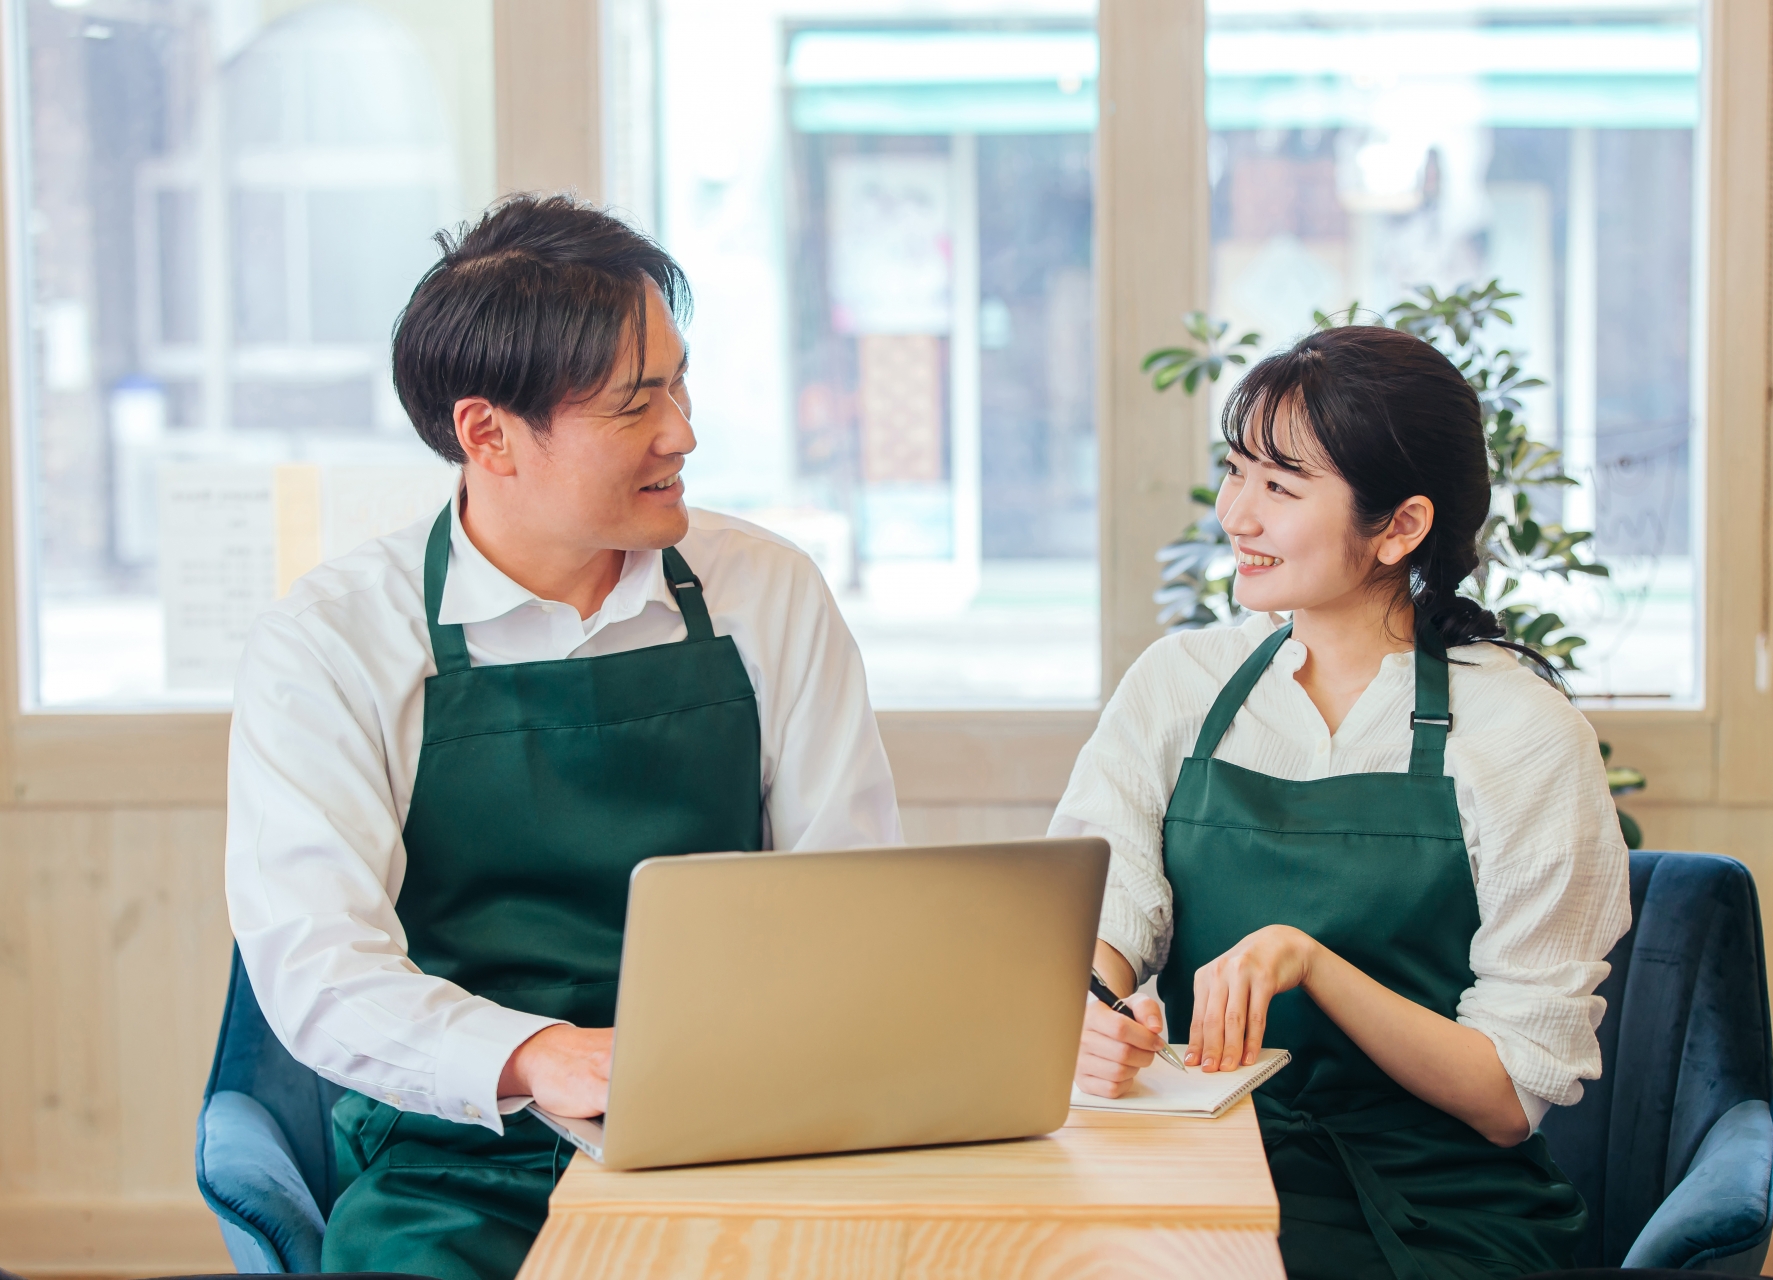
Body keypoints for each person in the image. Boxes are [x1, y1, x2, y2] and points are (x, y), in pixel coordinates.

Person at [224, 195, 902, 1280]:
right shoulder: (335, 641)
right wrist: (536, 1053)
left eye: (678, 382)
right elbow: (318, 970)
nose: (683, 430)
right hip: (456, 1160)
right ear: (487, 432)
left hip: (738, 1139)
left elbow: (850, 888)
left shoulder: (765, 590)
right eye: (636, 405)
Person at [1053, 325, 1631, 1279]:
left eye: (1280, 488)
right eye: (1236, 471)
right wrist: (1094, 1013)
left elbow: (1505, 1095)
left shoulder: (1522, 734)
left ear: (1399, 528)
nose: (1238, 513)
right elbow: (1100, 913)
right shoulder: (1179, 684)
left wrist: (1311, 963)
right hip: (1206, 1160)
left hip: (1435, 1205)